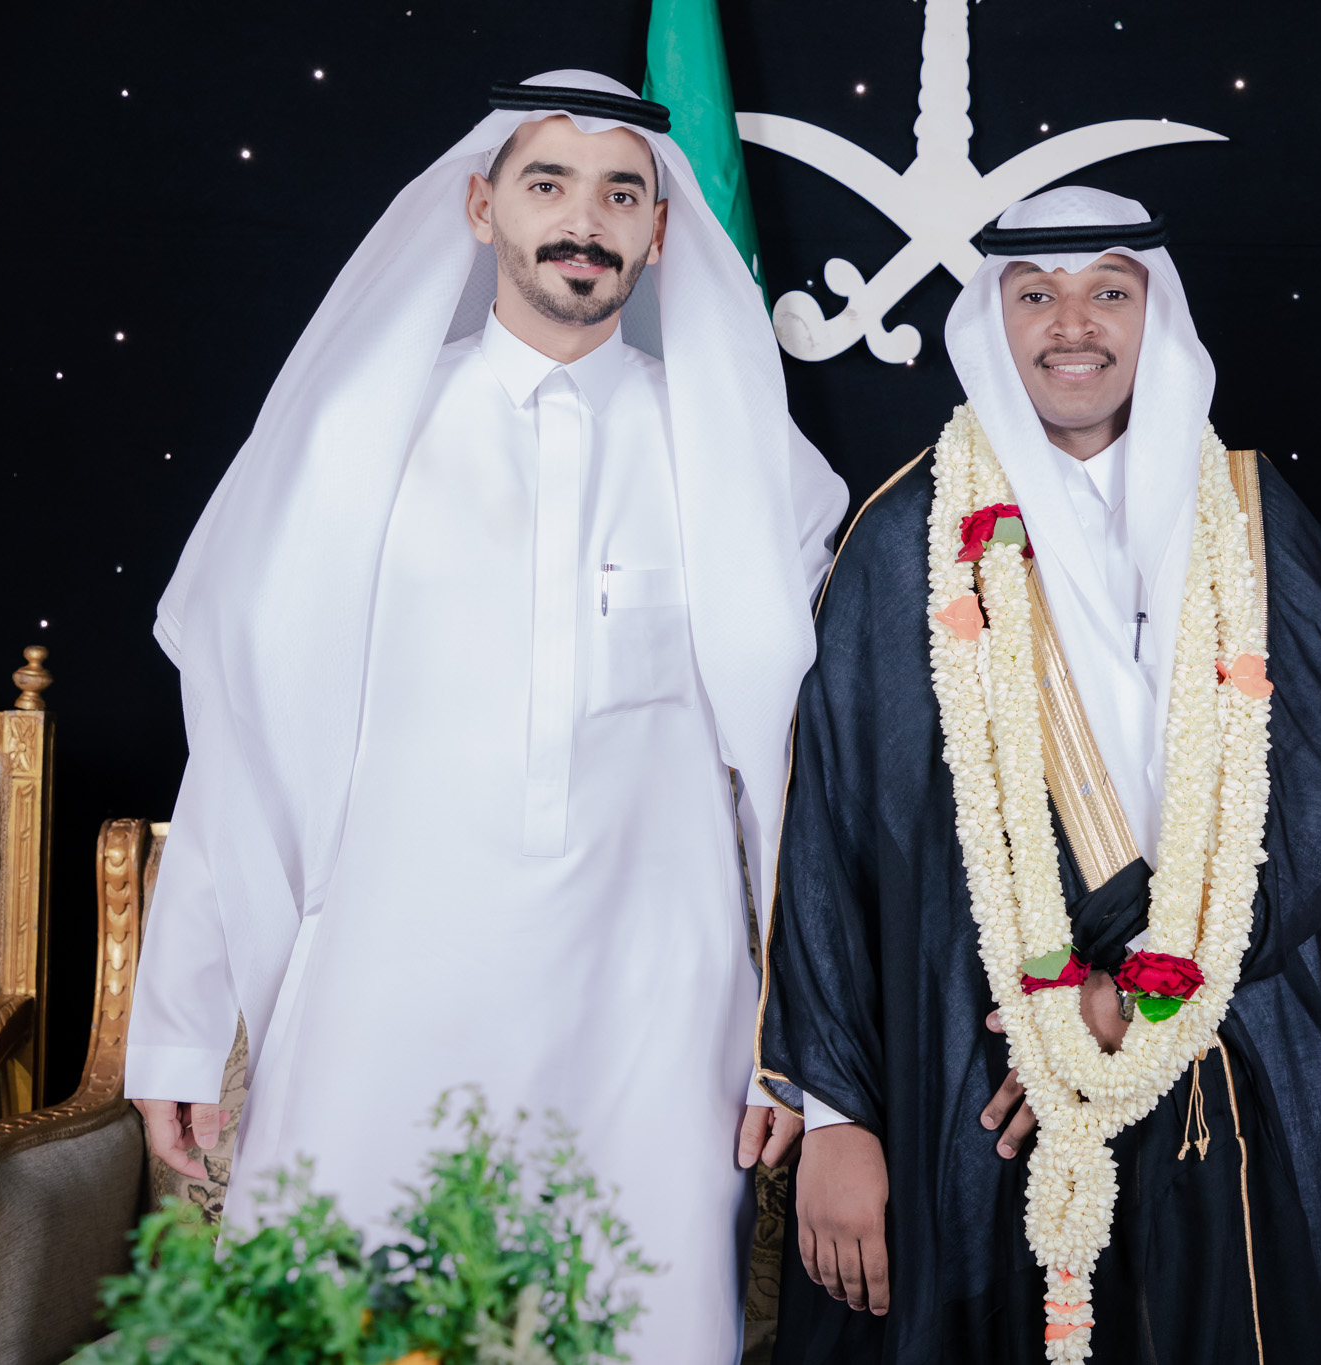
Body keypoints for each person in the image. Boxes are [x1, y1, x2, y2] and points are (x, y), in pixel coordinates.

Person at [125, 71, 847, 1361]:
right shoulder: (359, 435)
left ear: (659, 231)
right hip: (381, 999)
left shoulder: (748, 464)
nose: (584, 221)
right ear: (479, 208)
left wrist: (798, 1047)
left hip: (652, 1017)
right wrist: (179, 1025)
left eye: (619, 195)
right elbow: (242, 738)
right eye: (548, 184)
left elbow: (797, 781)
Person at [756, 186, 1321, 1364]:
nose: (1072, 324)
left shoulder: (1248, 518)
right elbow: (831, 844)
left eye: (1108, 291)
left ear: (1154, 312)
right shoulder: (905, 538)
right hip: (972, 1068)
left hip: (1221, 1046)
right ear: (992, 319)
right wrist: (836, 1116)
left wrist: (1136, 1001)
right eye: (1036, 295)